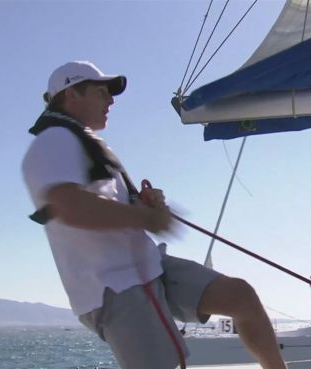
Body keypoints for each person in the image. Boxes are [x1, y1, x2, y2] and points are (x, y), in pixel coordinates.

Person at [22, 61, 287, 369]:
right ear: (71, 95)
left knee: (241, 297)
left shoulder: (82, 142)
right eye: (100, 92)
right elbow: (67, 204)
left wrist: (145, 204)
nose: (110, 100)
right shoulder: (53, 141)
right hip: (114, 286)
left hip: (149, 267)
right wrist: (146, 218)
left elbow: (104, 204)